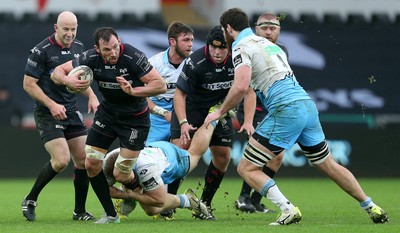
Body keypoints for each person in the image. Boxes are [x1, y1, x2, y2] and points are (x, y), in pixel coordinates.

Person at [204, 8, 388, 225]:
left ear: (227, 28)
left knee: (246, 168)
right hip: (307, 105)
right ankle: (372, 207)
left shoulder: (241, 47)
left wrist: (220, 111)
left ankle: (287, 209)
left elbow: (241, 86)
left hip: (286, 108)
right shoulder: (271, 46)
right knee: (328, 163)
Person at [51, 27, 166, 224]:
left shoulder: (132, 56)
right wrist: (68, 79)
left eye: (115, 47)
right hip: (108, 115)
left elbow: (160, 85)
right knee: (91, 163)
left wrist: (133, 91)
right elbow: (56, 72)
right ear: (97, 49)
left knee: (120, 173)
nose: (113, 53)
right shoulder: (90, 58)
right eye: (107, 50)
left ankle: (134, 192)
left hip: (135, 120)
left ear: (119, 41)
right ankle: (111, 215)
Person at [22, 11, 99, 222]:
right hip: (48, 112)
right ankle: (30, 199)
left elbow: (81, 78)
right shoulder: (41, 51)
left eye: (73, 29)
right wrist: (52, 103)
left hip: (71, 111)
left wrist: (91, 95)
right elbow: (28, 84)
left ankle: (79, 211)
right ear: (56, 28)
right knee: (61, 161)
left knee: (84, 160)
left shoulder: (79, 48)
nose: (70, 33)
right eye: (65, 29)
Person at [170, 25, 241, 220]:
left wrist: (246, 118)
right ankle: (168, 201)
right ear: (208, 45)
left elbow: (247, 90)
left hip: (218, 110)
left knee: (223, 157)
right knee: (180, 152)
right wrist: (183, 122)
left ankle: (204, 205)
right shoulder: (196, 61)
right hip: (191, 109)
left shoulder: (238, 60)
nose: (217, 52)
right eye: (213, 47)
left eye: (222, 48)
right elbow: (179, 94)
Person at [102, 117, 224, 220]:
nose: (121, 179)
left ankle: (214, 118)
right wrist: (127, 194)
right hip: (153, 149)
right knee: (146, 204)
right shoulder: (109, 160)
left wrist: (132, 195)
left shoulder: (146, 169)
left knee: (194, 154)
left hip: (173, 160)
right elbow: (104, 189)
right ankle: (128, 194)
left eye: (125, 179)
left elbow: (159, 200)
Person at [234, 12, 288, 214]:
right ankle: (243, 198)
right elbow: (245, 85)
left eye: (273, 28)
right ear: (255, 29)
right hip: (253, 108)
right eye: (264, 27)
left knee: (277, 157)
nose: (268, 31)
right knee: (262, 154)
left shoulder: (281, 51)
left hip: (271, 110)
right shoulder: (246, 47)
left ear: (279, 31)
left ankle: (255, 200)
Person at [146, 22, 194, 220]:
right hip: (156, 119)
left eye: (191, 40)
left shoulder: (193, 64)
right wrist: (161, 112)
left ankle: (169, 203)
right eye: (186, 40)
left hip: (181, 117)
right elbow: (141, 95)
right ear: (172, 42)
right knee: (145, 162)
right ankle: (128, 197)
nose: (191, 44)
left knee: (180, 159)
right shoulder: (154, 63)